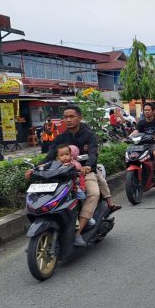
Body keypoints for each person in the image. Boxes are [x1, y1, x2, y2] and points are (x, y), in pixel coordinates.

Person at [37, 105, 120, 247]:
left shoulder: (89, 135)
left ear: (79, 118)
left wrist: (88, 166)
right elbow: (50, 155)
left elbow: (93, 153)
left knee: (93, 193)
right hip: (63, 174)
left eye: (71, 117)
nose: (68, 120)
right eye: (65, 117)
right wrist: (37, 167)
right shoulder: (61, 138)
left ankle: (78, 232)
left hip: (84, 173)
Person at [130, 102, 155, 183]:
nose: (147, 112)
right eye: (145, 110)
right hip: (142, 144)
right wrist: (129, 137)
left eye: (148, 110)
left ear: (153, 111)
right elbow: (136, 131)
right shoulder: (141, 122)